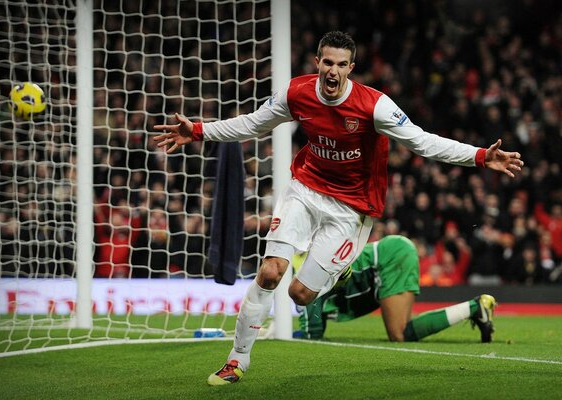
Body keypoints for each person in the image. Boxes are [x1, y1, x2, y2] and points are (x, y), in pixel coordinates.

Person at [152, 31, 523, 385]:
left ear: (351, 68)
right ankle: (237, 359)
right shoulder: (297, 93)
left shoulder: (374, 106)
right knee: (269, 273)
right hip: (306, 188)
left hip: (351, 208)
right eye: (327, 62)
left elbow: (423, 143)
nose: (332, 71)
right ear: (317, 62)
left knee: (300, 295)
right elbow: (253, 124)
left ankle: (340, 269)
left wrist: (478, 156)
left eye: (341, 64)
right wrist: (199, 131)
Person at [291, 235, 497, 343]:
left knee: (398, 335)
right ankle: (475, 308)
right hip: (394, 251)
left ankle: (474, 307)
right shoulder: (314, 267)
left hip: (389, 257)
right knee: (404, 331)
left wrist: (285, 333)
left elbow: (312, 331)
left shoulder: (307, 279)